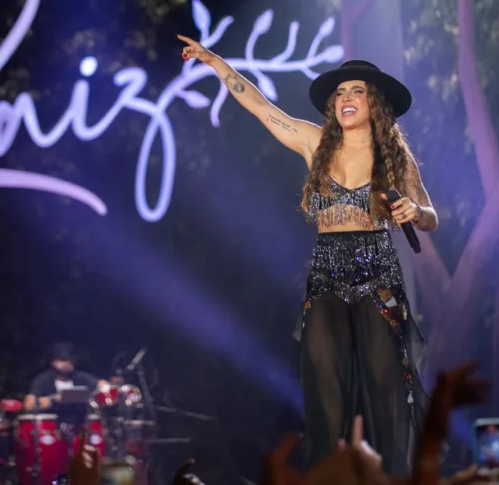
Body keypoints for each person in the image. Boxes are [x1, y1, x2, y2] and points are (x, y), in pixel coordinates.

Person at [178, 38, 435, 476]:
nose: (345, 98)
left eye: (356, 91)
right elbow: (261, 108)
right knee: (325, 395)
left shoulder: (394, 157)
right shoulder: (314, 142)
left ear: (375, 102)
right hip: (327, 275)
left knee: (386, 391)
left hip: (378, 274)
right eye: (340, 92)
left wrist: (416, 211)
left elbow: (430, 217)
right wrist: (215, 63)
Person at [24, 343, 105, 411]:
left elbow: (102, 384)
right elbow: (28, 405)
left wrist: (104, 386)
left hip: (79, 420)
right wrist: (46, 401)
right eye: (62, 360)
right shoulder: (43, 380)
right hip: (53, 421)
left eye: (69, 360)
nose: (66, 364)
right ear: (53, 362)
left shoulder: (80, 377)